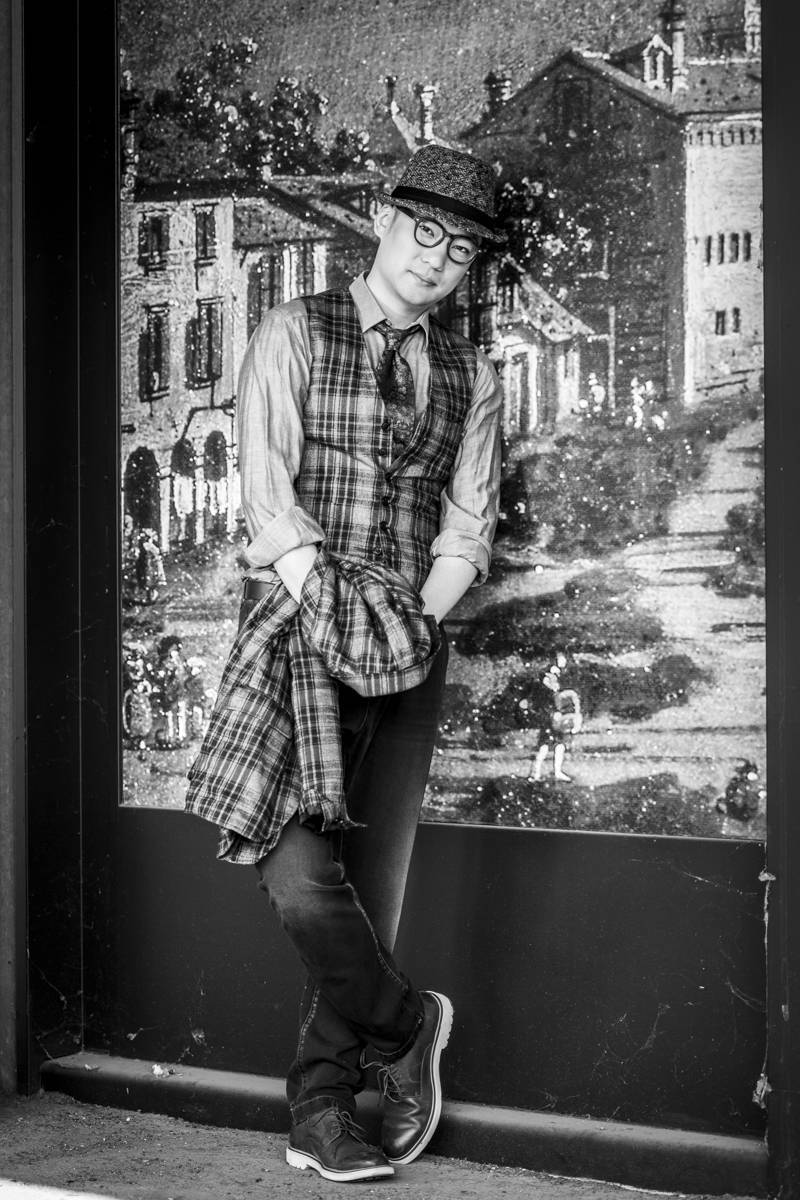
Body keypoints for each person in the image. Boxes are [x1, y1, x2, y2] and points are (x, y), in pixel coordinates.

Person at [185, 144, 505, 1183]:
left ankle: (320, 1113)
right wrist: (333, 608)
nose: (437, 260)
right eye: (425, 232)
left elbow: (468, 528)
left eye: (461, 251)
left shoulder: (472, 375)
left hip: (408, 645)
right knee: (296, 877)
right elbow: (267, 497)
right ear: (382, 218)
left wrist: (409, 622)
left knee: (371, 886)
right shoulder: (293, 330)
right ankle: (409, 1023)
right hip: (294, 626)